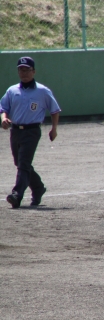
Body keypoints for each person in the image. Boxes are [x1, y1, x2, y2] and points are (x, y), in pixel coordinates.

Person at [1, 57, 61, 208]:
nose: (24, 73)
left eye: (27, 70)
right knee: (20, 163)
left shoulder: (42, 91)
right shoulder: (12, 90)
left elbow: (54, 110)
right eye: (21, 70)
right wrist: (4, 119)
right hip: (16, 130)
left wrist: (54, 129)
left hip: (32, 131)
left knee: (23, 163)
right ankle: (38, 187)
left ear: (33, 71)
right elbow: (4, 108)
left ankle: (17, 195)